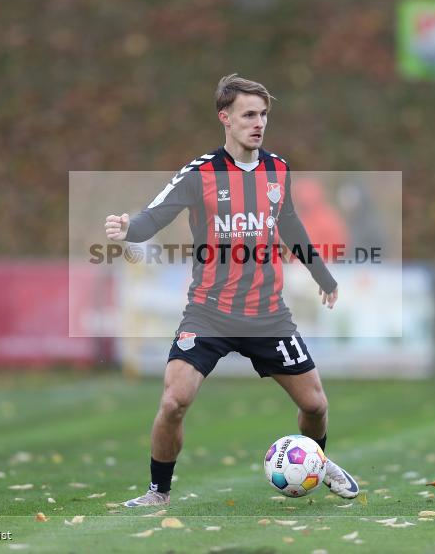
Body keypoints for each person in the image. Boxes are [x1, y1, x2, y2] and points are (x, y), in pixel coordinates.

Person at [105, 74, 359, 508]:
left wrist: (323, 276)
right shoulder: (200, 173)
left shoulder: (278, 169)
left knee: (315, 405)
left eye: (263, 115)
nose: (258, 123)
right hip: (209, 312)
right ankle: (158, 492)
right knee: (173, 401)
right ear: (225, 118)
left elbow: (291, 224)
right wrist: (128, 228)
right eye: (248, 115)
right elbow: (154, 217)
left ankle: (318, 461)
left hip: (267, 315)